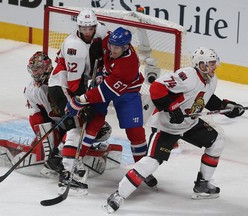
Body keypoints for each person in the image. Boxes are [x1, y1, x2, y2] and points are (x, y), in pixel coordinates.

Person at [102, 47, 245, 213]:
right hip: (167, 126)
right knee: (152, 162)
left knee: (217, 141)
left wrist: (227, 106)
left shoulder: (211, 80)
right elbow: (156, 88)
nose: (215, 66)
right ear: (201, 65)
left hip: (189, 124)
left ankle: (202, 185)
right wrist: (171, 108)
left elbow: (206, 98)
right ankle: (119, 195)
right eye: (211, 63)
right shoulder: (187, 76)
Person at [65, 27, 158, 189]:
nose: (112, 50)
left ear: (126, 47)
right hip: (108, 84)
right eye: (111, 46)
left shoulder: (128, 65)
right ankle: (77, 161)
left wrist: (80, 100)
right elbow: (103, 44)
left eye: (117, 48)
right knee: (94, 122)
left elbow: (105, 92)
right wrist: (101, 69)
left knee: (135, 131)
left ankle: (143, 169)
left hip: (127, 93)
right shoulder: (111, 42)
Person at [48, 8, 111, 195]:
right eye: (84, 29)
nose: (87, 32)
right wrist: (84, 103)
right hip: (63, 86)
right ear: (78, 27)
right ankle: (67, 171)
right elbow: (74, 84)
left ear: (95, 25)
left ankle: (61, 153)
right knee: (78, 122)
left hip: (79, 82)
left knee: (83, 121)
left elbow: (111, 45)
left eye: (90, 28)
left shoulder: (101, 30)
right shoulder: (74, 46)